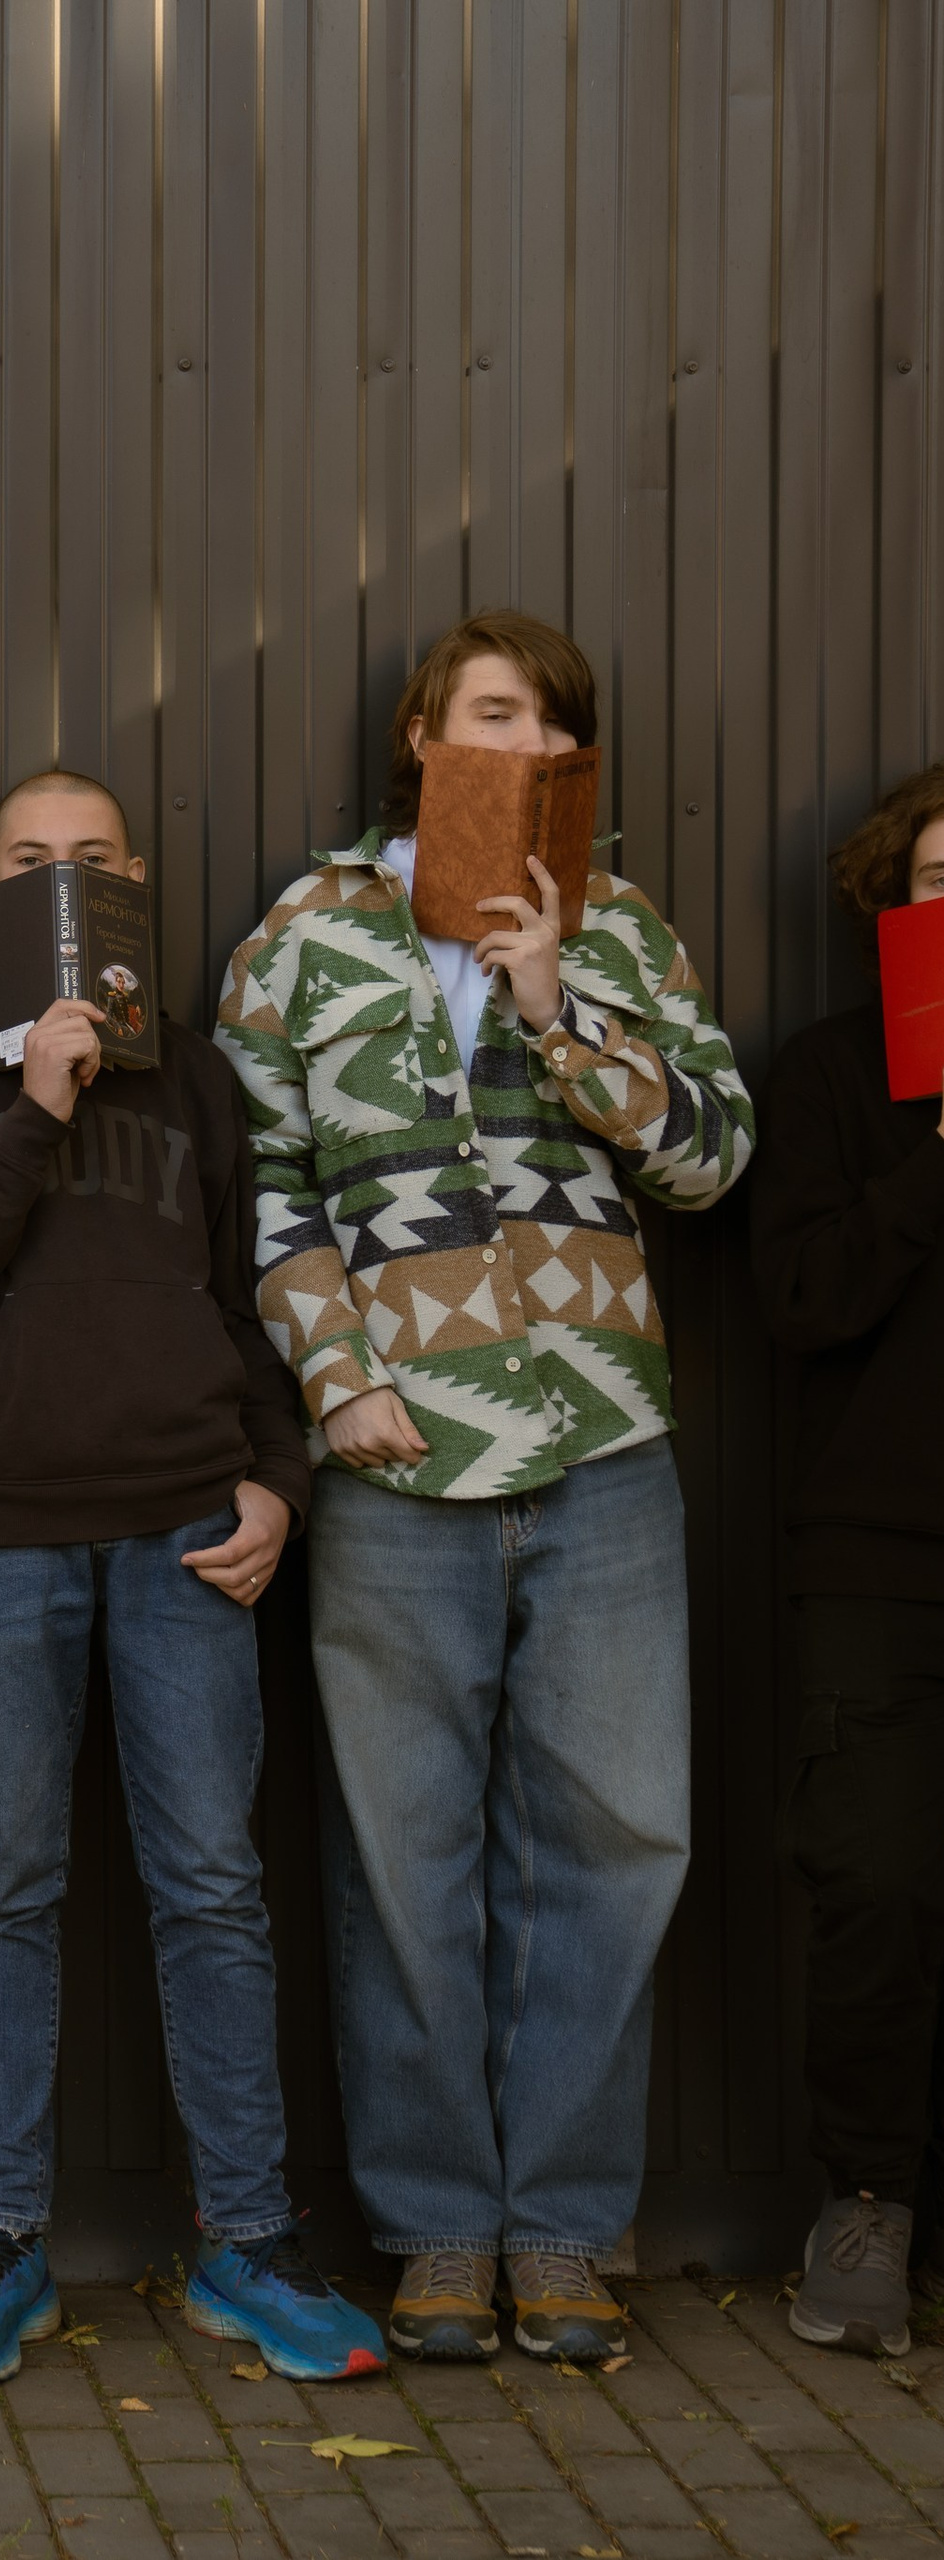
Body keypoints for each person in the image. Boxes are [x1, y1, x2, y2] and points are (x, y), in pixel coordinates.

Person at [216, 610, 753, 2363]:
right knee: (404, 1859)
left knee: (617, 1848)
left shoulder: (623, 931)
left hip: (603, 1448)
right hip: (396, 1459)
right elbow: (272, 1187)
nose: (519, 745)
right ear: (425, 735)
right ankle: (444, 2229)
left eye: (551, 727)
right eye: (493, 713)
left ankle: (566, 2231)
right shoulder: (304, 936)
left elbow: (710, 1160)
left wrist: (562, 1009)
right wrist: (336, 1378)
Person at [0, 774, 380, 2384]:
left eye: (91, 859)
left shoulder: (201, 1080)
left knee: (213, 1889)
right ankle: (0, 2245)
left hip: (185, 1525)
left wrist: (282, 1483)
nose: (62, 877)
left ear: (136, 882)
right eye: (32, 860)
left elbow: (249, 1302)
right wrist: (33, 1101)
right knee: (5, 1887)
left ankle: (248, 2245)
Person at [751, 767, 944, 2359]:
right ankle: (866, 2200)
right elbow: (804, 1301)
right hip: (875, 1555)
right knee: (873, 1884)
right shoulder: (824, 1079)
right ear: (894, 904)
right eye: (940, 878)